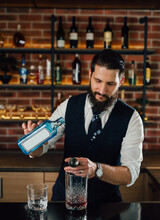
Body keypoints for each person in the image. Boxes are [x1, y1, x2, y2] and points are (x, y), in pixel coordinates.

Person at [22, 49, 144, 203]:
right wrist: (33, 143)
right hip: (64, 201)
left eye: (110, 84)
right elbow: (43, 147)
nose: (102, 90)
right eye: (98, 81)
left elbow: (130, 174)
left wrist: (97, 169)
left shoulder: (132, 118)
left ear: (121, 81)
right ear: (90, 75)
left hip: (107, 208)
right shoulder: (68, 106)